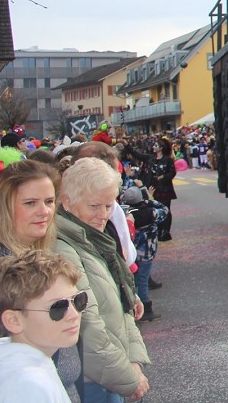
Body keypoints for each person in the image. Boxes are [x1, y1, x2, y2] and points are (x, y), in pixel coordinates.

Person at [55, 158, 150, 402]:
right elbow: (88, 323)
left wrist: (134, 362)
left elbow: (119, 303)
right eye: (95, 206)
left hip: (108, 371)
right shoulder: (64, 248)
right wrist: (129, 376)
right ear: (67, 201)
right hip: (94, 380)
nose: (104, 215)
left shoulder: (91, 237)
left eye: (109, 206)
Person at [0, 249, 84, 403]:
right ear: (14, 321)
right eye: (58, 307)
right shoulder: (27, 385)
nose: (74, 314)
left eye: (78, 300)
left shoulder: (24, 369)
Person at [0, 160, 61, 347]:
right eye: (30, 203)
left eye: (49, 201)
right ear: (4, 207)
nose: (44, 211)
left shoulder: (37, 253)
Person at [120, 187, 168, 323]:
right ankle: (146, 309)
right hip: (146, 252)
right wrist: (150, 200)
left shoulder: (126, 213)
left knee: (134, 279)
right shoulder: (149, 212)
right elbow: (164, 210)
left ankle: (133, 306)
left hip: (131, 252)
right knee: (142, 280)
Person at [142, 139, 176, 241]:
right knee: (154, 209)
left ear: (161, 148)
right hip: (153, 188)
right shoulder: (151, 158)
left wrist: (163, 177)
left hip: (165, 189)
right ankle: (157, 230)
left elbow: (172, 173)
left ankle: (165, 232)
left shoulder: (167, 160)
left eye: (156, 145)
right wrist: (127, 146)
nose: (153, 147)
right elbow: (138, 155)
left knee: (166, 209)